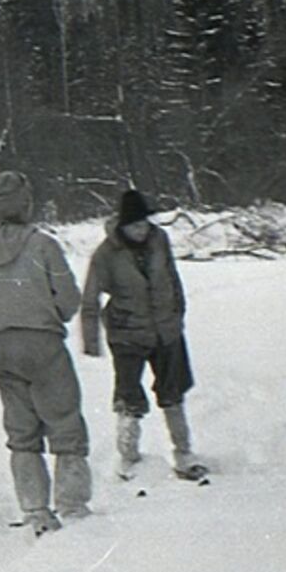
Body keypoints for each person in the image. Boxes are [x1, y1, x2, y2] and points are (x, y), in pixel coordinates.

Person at [0, 171, 90, 536]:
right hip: (45, 343)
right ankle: (73, 505)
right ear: (24, 202)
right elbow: (69, 300)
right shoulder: (44, 246)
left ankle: (34, 509)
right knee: (65, 423)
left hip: (4, 348)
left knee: (21, 432)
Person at [79, 189, 205, 479]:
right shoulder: (106, 253)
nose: (141, 230)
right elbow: (90, 298)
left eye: (144, 224)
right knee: (128, 397)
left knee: (173, 392)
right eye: (135, 225)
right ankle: (129, 458)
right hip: (127, 335)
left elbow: (172, 277)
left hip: (165, 330)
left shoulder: (159, 240)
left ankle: (184, 453)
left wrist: (177, 314)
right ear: (122, 225)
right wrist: (91, 341)